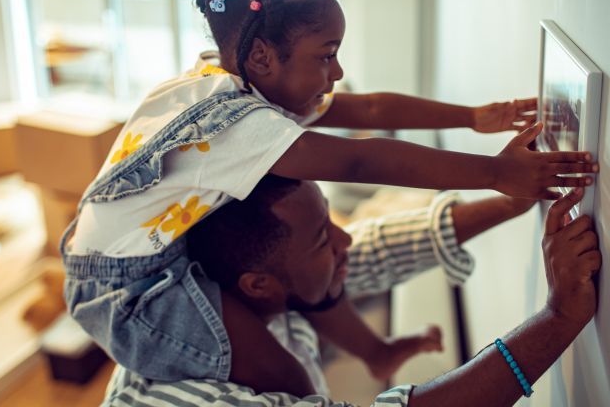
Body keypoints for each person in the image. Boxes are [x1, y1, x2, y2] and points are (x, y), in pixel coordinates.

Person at [60, 0, 598, 396]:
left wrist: (474, 117)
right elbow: (360, 157)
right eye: (326, 54)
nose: (337, 72)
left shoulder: (237, 77)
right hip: (125, 291)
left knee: (306, 271)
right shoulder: (234, 125)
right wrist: (495, 173)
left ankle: (377, 352)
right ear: (265, 57)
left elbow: (369, 113)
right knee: (281, 372)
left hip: (142, 248)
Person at [101, 177, 600, 407]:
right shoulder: (189, 393)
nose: (345, 239)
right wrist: (557, 317)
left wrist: (512, 199)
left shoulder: (237, 287)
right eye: (324, 237)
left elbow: (376, 249)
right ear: (259, 284)